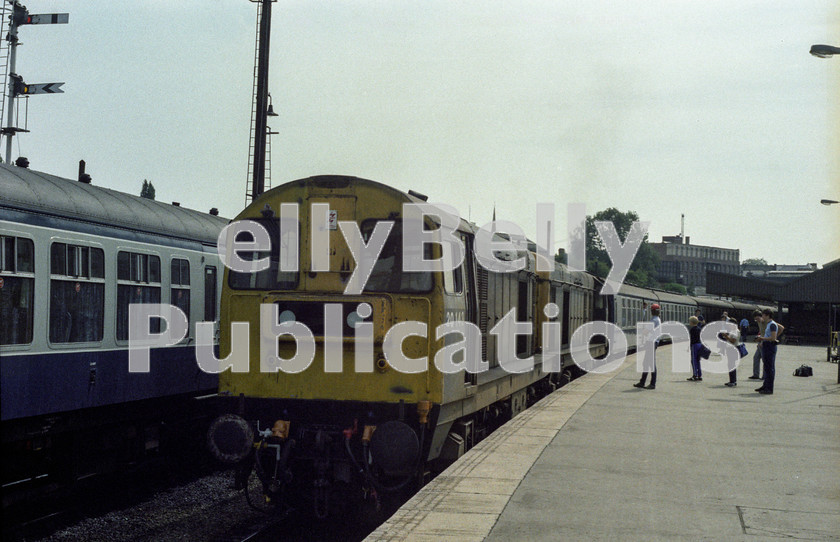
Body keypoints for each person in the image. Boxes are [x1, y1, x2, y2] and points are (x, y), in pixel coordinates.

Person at [634, 304, 661, 390]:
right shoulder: (657, 319)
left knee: (651, 364)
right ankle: (642, 382)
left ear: (652, 311)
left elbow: (645, 332)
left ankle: (652, 384)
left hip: (651, 343)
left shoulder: (653, 320)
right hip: (653, 342)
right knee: (646, 363)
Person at [755, 309, 779, 395]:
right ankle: (765, 385)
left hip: (770, 347)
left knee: (769, 368)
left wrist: (762, 338)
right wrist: (762, 341)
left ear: (767, 315)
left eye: (763, 315)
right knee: (766, 367)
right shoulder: (769, 324)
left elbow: (773, 337)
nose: (762, 317)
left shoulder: (772, 324)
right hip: (766, 346)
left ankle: (769, 388)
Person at [719, 317, 741, 387]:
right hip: (730, 349)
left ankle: (733, 381)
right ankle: (731, 380)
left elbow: (733, 340)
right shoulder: (733, 331)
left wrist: (726, 336)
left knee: (732, 365)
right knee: (730, 365)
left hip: (733, 349)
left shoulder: (735, 331)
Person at [749, 310, 764, 380]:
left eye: (757, 318)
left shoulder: (765, 322)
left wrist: (762, 342)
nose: (756, 320)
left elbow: (766, 333)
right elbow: (761, 331)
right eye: (755, 319)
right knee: (756, 357)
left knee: (765, 360)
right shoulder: (759, 322)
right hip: (760, 342)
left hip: (764, 343)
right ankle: (756, 374)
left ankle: (764, 376)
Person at [687, 315, 703, 381]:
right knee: (698, 360)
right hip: (699, 344)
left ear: (692, 322)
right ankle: (699, 375)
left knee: (693, 360)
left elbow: (692, 339)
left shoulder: (692, 329)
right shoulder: (699, 329)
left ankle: (695, 375)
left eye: (690, 321)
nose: (689, 323)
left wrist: (689, 346)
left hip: (694, 345)